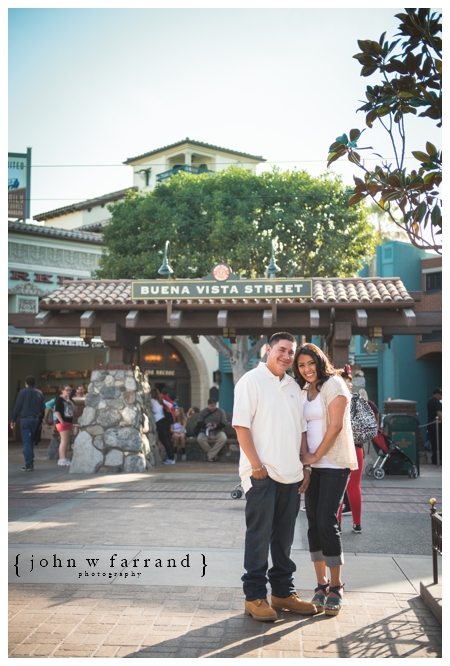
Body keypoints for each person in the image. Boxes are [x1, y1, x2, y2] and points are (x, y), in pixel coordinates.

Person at [233, 332, 318, 622]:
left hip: (292, 474)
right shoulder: (250, 381)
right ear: (269, 350)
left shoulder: (294, 386)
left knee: (283, 539)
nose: (287, 356)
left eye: (291, 352)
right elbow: (241, 426)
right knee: (258, 537)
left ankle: (282, 593)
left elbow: (303, 429)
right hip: (262, 475)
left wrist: (305, 467)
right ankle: (254, 597)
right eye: (282, 350)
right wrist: (256, 466)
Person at [293, 343, 357, 616]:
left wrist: (316, 456)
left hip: (335, 463)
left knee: (327, 521)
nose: (306, 370)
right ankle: (321, 585)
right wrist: (306, 462)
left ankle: (337, 586)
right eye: (301, 365)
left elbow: (337, 425)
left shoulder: (335, 383)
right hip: (315, 466)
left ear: (320, 361)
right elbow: (303, 427)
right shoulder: (305, 391)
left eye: (310, 363)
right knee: (313, 524)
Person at [337, 366, 364, 535]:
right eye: (348, 380)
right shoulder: (356, 399)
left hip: (339, 445)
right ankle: (357, 524)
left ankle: (337, 522)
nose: (350, 383)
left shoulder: (333, 399)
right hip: (356, 445)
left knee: (338, 485)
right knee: (354, 486)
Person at [10, 375, 45, 471]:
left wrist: (13, 420)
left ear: (26, 383)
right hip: (36, 419)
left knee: (26, 442)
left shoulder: (22, 392)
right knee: (31, 441)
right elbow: (43, 408)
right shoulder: (39, 392)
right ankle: (30, 461)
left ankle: (28, 464)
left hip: (25, 419)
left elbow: (17, 406)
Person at [197, 398, 228, 462]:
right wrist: (205, 425)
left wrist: (216, 426)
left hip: (217, 431)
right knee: (200, 439)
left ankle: (210, 455)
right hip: (205, 431)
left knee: (223, 438)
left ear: (216, 405)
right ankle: (213, 455)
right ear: (208, 405)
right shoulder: (203, 412)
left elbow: (224, 423)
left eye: (213, 406)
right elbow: (199, 423)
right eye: (210, 406)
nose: (212, 408)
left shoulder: (221, 412)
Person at [150, 388, 175, 465]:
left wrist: (152, 411)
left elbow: (155, 410)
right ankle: (172, 457)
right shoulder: (160, 400)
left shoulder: (153, 401)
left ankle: (171, 459)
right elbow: (170, 405)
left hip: (159, 422)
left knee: (165, 441)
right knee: (168, 440)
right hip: (165, 421)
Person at [54, 385, 75, 466]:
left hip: (69, 421)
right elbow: (56, 411)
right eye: (67, 390)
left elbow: (75, 409)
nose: (69, 392)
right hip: (63, 422)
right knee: (64, 440)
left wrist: (70, 402)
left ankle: (63, 458)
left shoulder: (69, 399)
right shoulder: (59, 399)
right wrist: (62, 421)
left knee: (65, 441)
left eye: (70, 390)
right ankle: (62, 459)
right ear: (62, 390)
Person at [427, 387, 442, 465]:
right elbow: (440, 414)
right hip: (437, 425)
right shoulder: (437, 403)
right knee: (439, 442)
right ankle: (439, 459)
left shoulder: (430, 401)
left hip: (431, 424)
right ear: (436, 394)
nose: (441, 396)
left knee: (433, 442)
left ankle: (434, 459)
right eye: (440, 394)